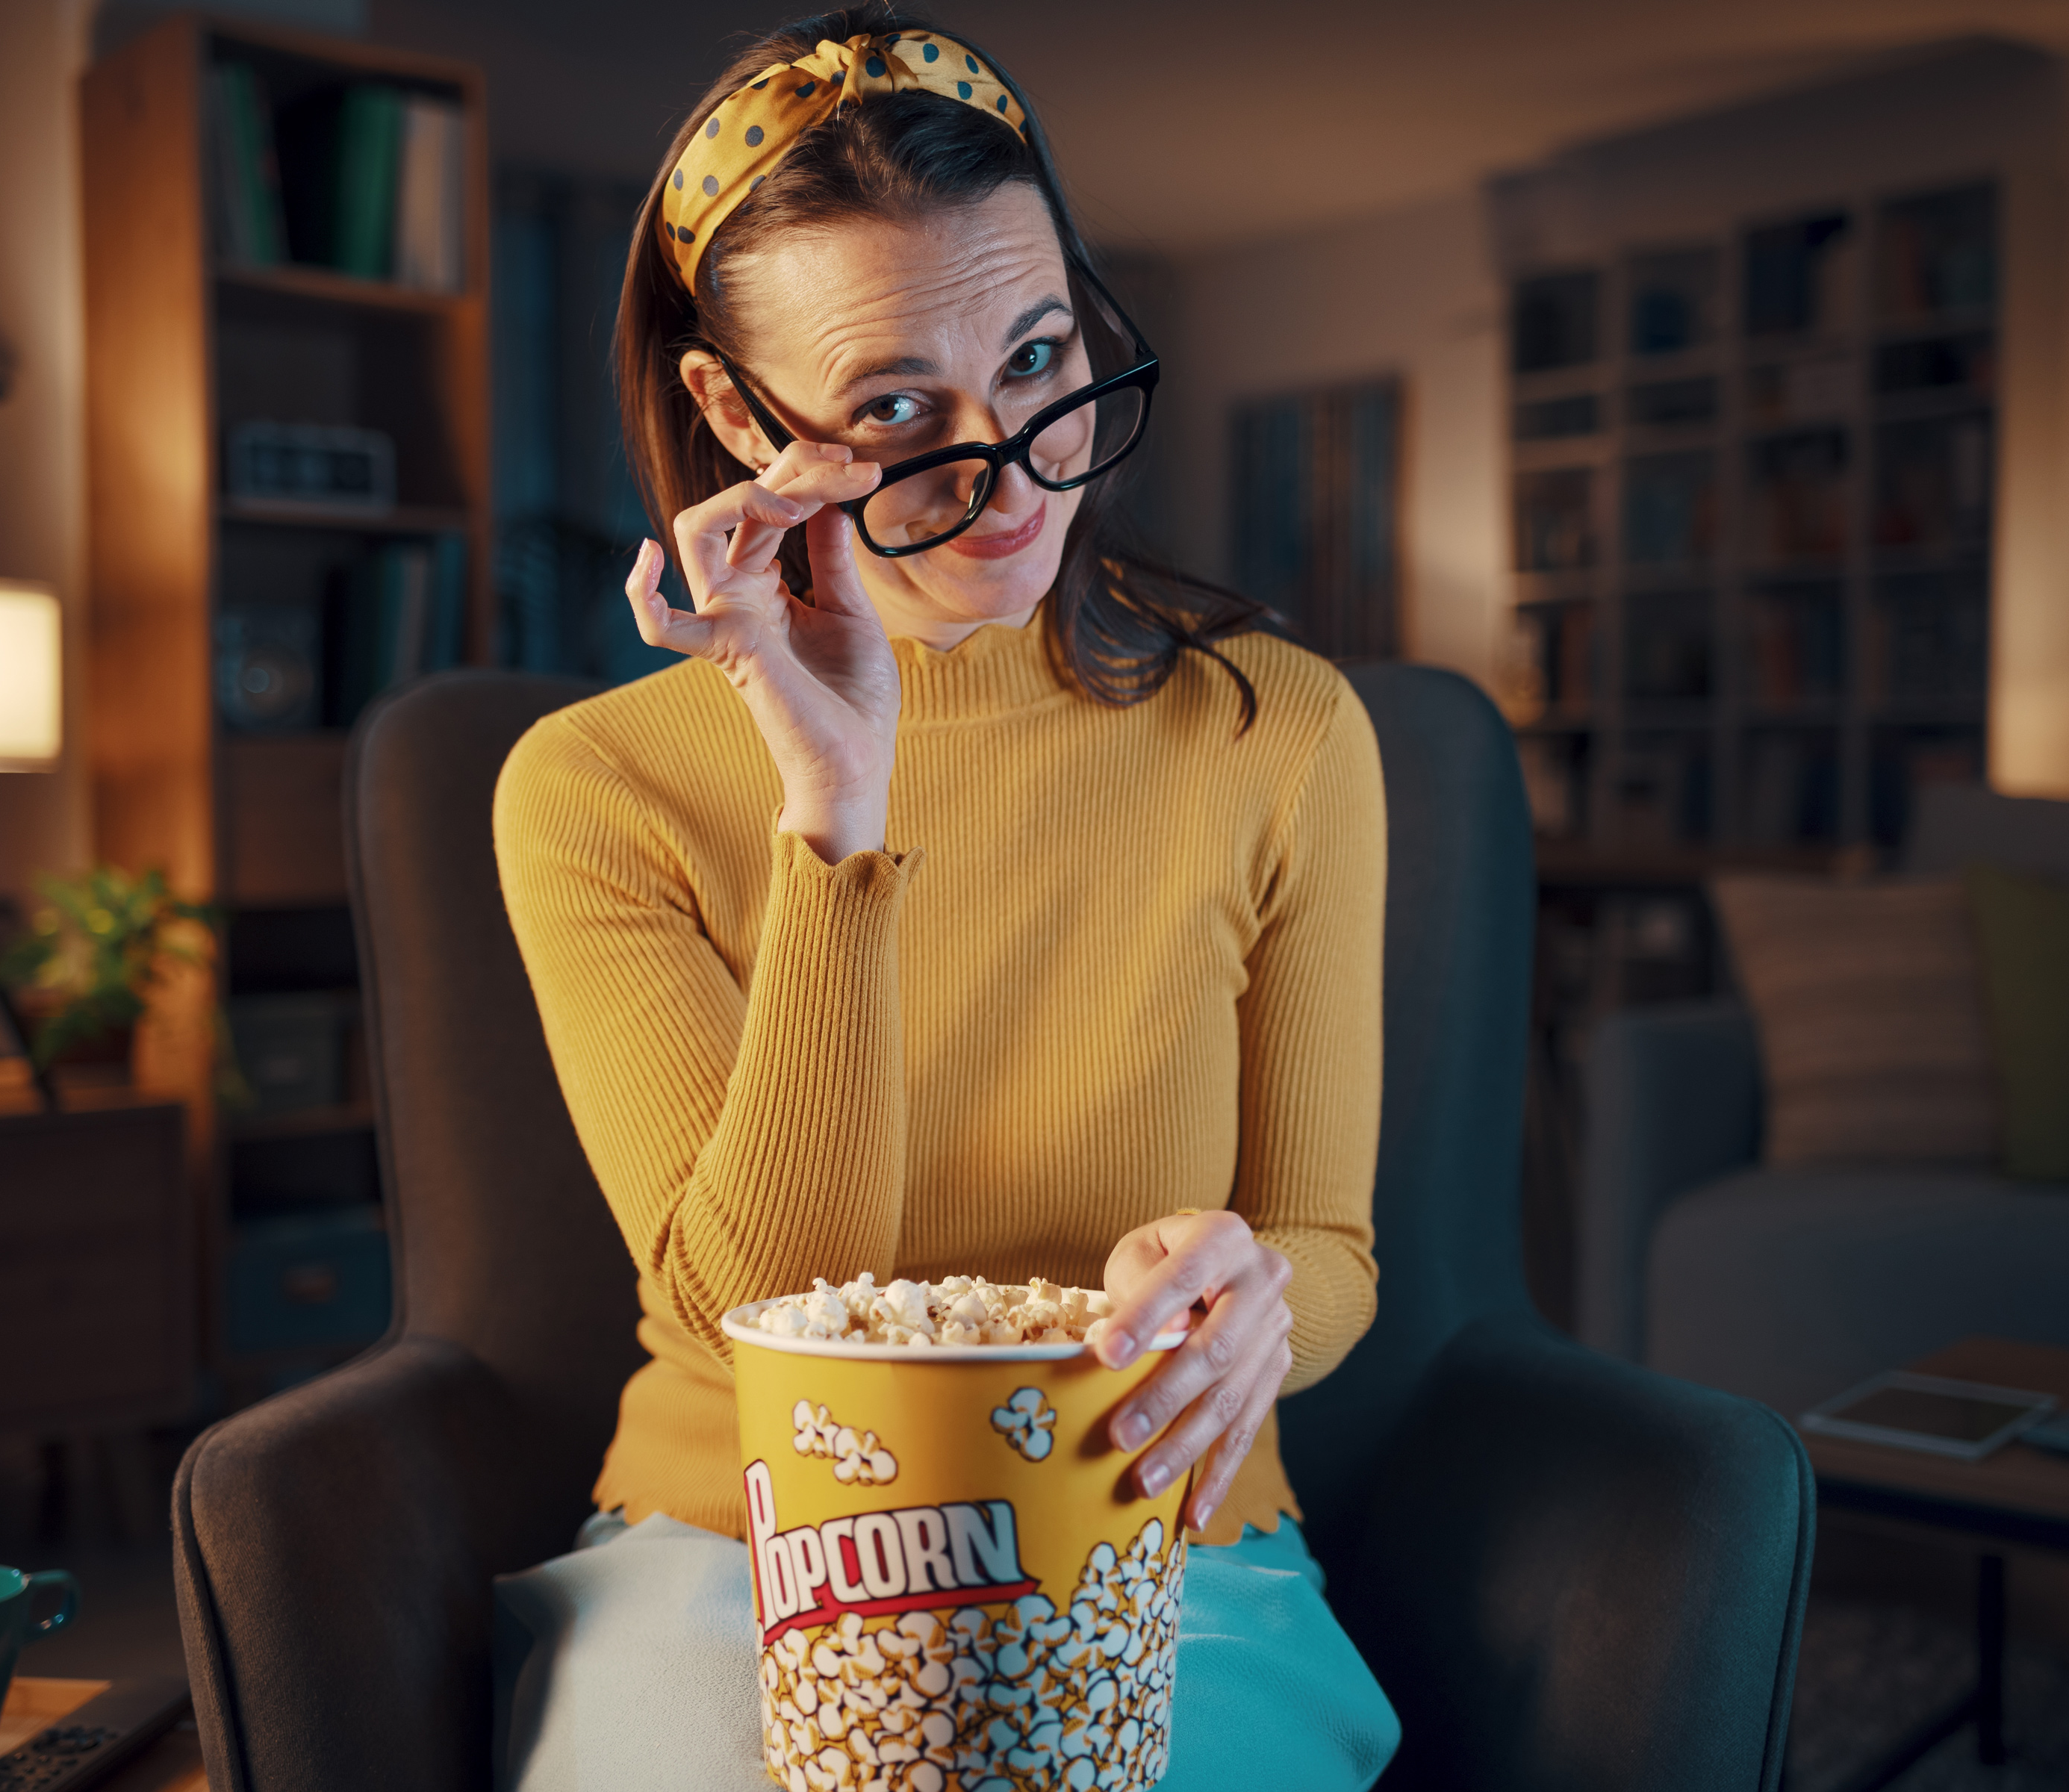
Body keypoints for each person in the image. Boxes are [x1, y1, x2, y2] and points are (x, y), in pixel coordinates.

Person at [491, 7, 1401, 1787]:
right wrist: (835, 808)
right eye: (900, 409)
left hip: (1160, 1531)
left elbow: (1330, 1251)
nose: (1020, 470)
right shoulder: (595, 788)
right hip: (741, 1544)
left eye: (1044, 354)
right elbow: (749, 1304)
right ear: (733, 415)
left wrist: (1250, 1301)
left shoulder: (1278, 731)